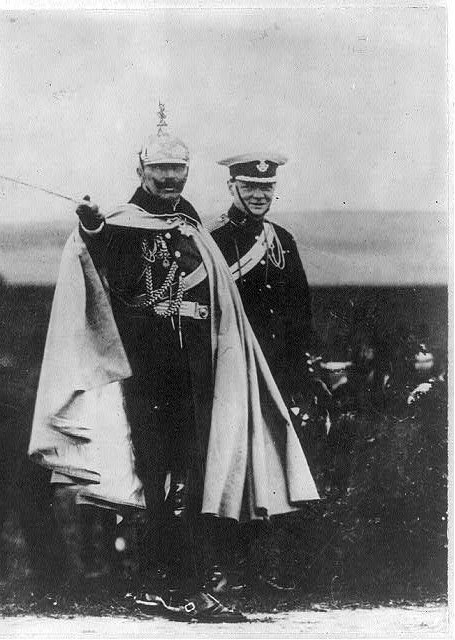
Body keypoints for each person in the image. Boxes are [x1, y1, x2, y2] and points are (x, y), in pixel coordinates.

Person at [28, 124, 319, 620]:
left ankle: (182, 583)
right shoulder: (121, 224)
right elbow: (103, 265)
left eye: (177, 169)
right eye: (160, 169)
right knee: (155, 478)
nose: (169, 178)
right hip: (145, 372)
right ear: (141, 169)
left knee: (189, 477)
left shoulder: (188, 221)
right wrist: (93, 229)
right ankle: (162, 584)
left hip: (195, 373)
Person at [210, 153, 323, 592]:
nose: (259, 195)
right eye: (250, 187)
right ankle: (227, 568)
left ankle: (260, 569)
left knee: (270, 468)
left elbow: (300, 312)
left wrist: (298, 375)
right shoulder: (214, 241)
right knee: (232, 466)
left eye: (266, 188)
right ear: (232, 188)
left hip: (276, 373)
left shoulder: (282, 241)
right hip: (232, 372)